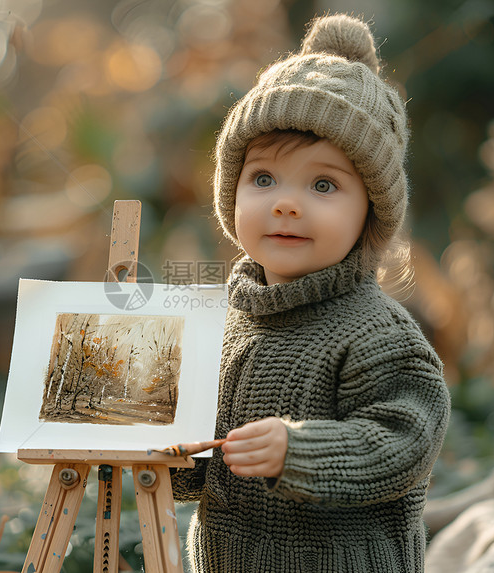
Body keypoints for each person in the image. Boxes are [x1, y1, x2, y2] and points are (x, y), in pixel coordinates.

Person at [170, 13, 451, 573]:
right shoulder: (221, 322)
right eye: (263, 179)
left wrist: (299, 451)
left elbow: (406, 438)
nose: (285, 203)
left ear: (370, 212)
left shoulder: (378, 333)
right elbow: (206, 464)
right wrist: (169, 452)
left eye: (323, 185)